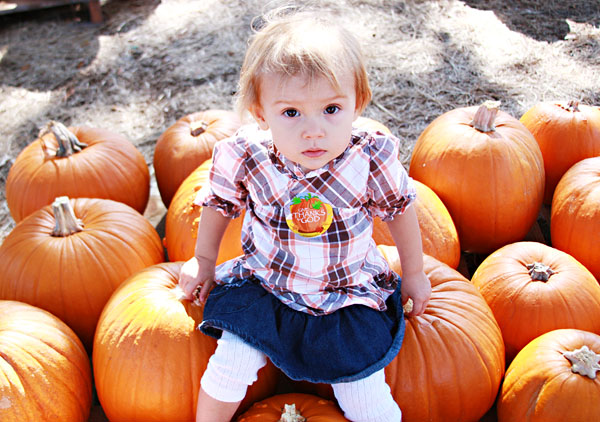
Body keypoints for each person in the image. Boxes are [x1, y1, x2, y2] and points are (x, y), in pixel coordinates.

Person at [178, 7, 431, 422]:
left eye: (331, 109)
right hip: (267, 286)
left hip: (345, 294)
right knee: (228, 368)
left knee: (364, 393)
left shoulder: (368, 156)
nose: (314, 130)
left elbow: (399, 210)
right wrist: (203, 260)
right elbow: (220, 203)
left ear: (357, 102)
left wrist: (415, 272)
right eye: (291, 113)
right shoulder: (248, 156)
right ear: (261, 113)